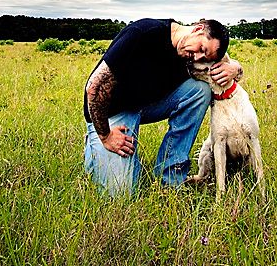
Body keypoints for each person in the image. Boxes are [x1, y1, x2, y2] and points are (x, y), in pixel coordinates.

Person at [83, 17, 242, 197]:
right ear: (198, 29)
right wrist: (105, 135)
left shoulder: (190, 57)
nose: (197, 57)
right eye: (201, 49)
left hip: (146, 105)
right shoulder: (143, 33)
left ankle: (170, 177)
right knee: (120, 193)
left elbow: (228, 65)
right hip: (112, 111)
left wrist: (235, 68)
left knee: (200, 91)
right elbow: (94, 87)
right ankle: (95, 139)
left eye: (204, 57)